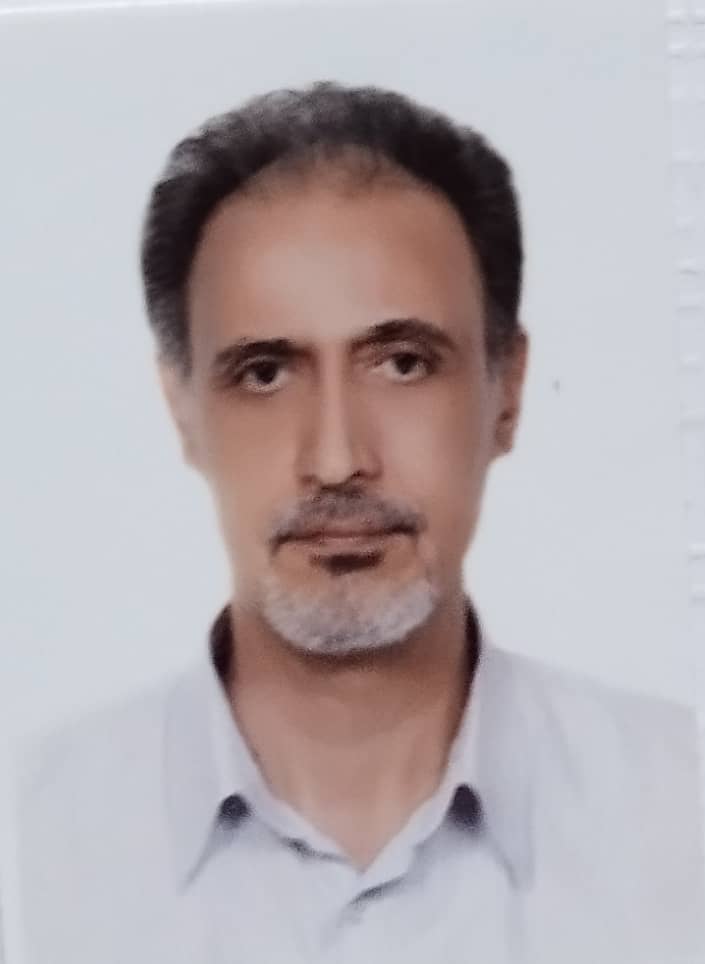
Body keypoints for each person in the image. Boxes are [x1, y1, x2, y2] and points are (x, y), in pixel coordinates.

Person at [6, 81, 704, 963]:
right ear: (182, 410)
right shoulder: (29, 836)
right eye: (264, 373)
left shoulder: (680, 807)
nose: (336, 459)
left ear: (508, 391)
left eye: (402, 363)